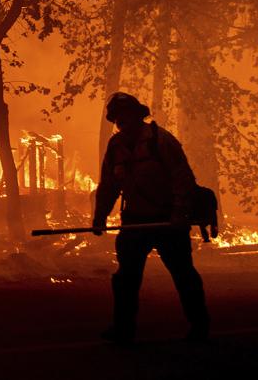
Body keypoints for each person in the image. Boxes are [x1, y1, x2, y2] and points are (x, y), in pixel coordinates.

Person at [92, 92, 210, 344]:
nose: (122, 121)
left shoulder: (161, 141)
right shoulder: (116, 147)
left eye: (126, 115)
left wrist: (179, 213)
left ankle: (200, 325)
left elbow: (183, 180)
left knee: (183, 274)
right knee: (126, 278)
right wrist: (100, 216)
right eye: (117, 118)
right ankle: (123, 329)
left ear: (138, 115)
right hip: (135, 221)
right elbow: (109, 186)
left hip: (168, 221)